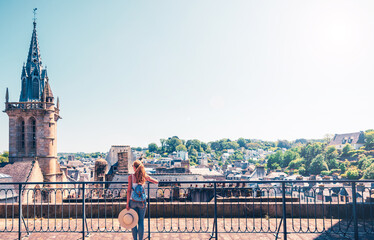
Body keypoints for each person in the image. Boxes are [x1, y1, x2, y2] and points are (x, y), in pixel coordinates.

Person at [126, 159, 158, 240]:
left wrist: (127, 203)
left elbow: (129, 191)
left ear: (134, 167)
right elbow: (155, 181)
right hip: (142, 202)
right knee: (141, 221)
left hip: (132, 201)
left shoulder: (131, 177)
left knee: (133, 222)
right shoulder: (144, 176)